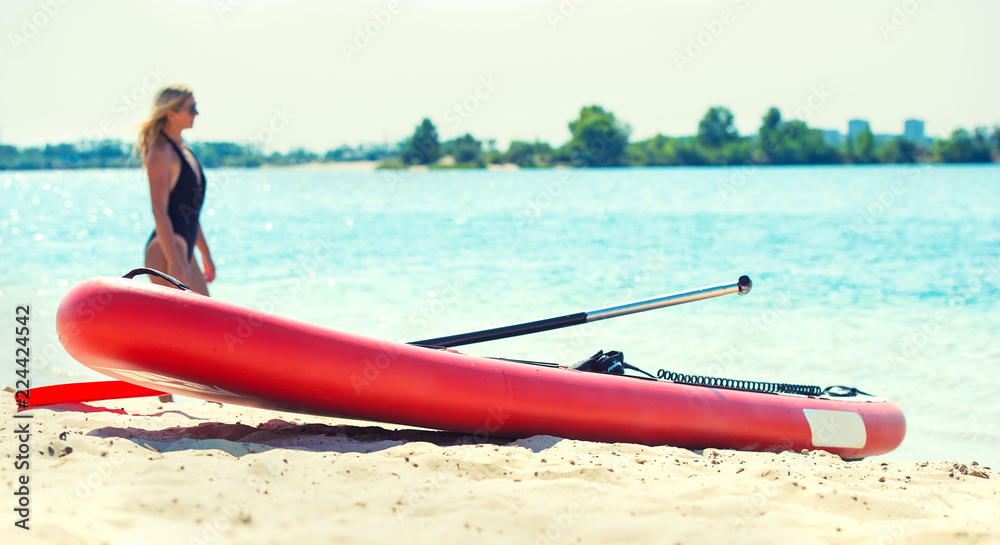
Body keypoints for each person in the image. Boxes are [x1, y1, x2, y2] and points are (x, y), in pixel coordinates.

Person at [136, 84, 215, 297]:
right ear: (171, 113)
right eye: (191, 108)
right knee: (185, 323)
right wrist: (174, 261)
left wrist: (205, 254)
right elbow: (159, 210)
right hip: (166, 249)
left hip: (184, 248)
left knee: (205, 319)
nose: (196, 113)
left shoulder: (184, 150)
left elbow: (189, 209)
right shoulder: (161, 152)